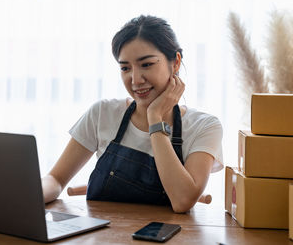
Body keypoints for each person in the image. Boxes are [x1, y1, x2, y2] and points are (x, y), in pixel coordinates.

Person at [42, 15, 223, 213]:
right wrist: (28, 196)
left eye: (146, 64)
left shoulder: (205, 126)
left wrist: (155, 118)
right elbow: (56, 179)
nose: (135, 80)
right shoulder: (102, 113)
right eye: (125, 68)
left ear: (176, 62)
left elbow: (182, 201)